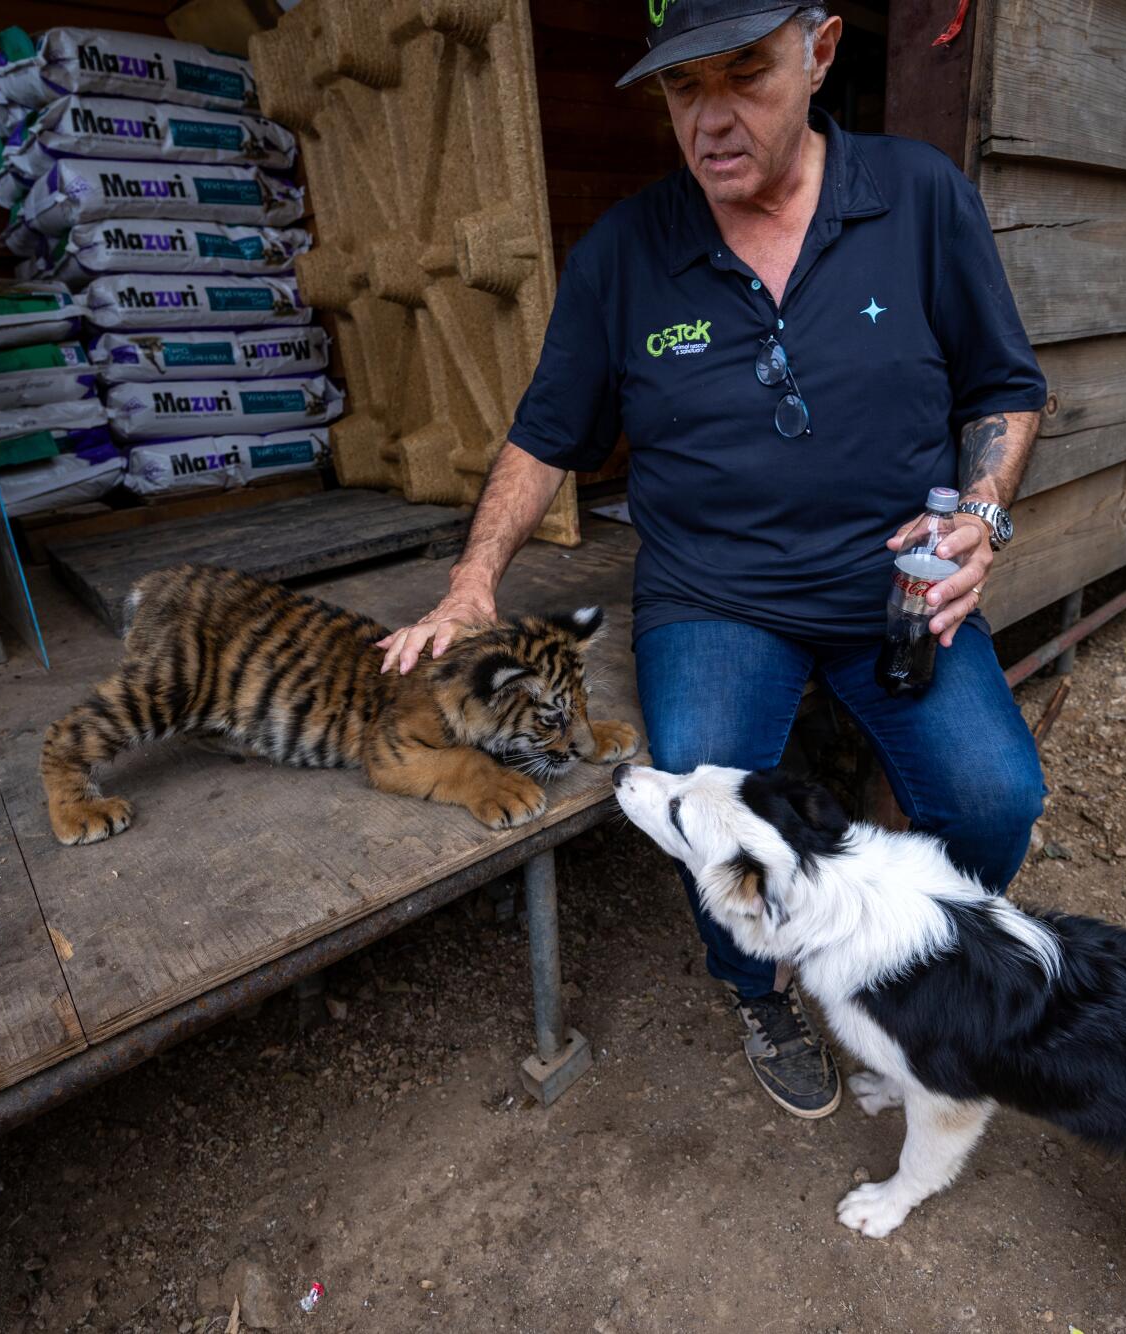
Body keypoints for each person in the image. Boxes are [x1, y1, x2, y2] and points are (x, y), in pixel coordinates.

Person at [379, 0, 1048, 1119]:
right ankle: (756, 983)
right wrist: (471, 578)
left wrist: (981, 510)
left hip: (889, 582)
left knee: (992, 797)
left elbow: (1004, 386)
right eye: (685, 89)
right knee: (696, 777)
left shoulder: (917, 196)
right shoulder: (625, 253)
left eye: (745, 74)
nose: (712, 118)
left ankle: (910, 973)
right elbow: (546, 432)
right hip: (713, 594)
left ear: (821, 51)